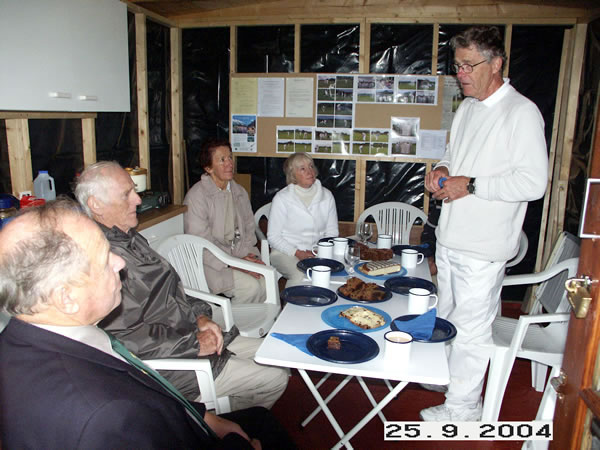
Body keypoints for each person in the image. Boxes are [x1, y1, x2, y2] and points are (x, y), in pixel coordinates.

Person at [0, 199, 296, 449]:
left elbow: (145, 379)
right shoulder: (101, 416)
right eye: (103, 259)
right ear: (66, 297)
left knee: (261, 417)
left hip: (187, 414)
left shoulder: (46, 334)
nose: (120, 263)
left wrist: (205, 417)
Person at [74, 161, 288, 411]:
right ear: (96, 205)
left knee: (278, 357)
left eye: (135, 191)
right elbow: (125, 339)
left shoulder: (131, 238)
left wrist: (200, 317)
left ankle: (226, 415)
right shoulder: (100, 261)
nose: (138, 200)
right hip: (176, 365)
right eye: (126, 194)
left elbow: (173, 293)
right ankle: (227, 425)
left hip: (190, 334)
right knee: (275, 378)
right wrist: (196, 344)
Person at [421, 25, 548, 421]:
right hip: (451, 239)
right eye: (457, 66)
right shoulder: (468, 109)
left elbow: (534, 183)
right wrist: (442, 170)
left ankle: (463, 408)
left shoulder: (521, 112)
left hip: (484, 248)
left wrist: (471, 185)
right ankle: (447, 380)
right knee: (447, 317)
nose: (460, 74)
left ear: (496, 64)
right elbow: (453, 156)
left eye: (468, 66)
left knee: (472, 331)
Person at [183, 139, 266, 304]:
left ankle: (257, 320)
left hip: (238, 256)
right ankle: (233, 321)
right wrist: (235, 264)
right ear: (208, 168)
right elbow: (201, 246)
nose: (229, 163)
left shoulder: (239, 191)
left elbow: (249, 229)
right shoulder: (196, 197)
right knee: (251, 287)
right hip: (210, 264)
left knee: (266, 282)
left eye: (230, 157)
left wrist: (247, 256)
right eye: (222, 160)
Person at [267, 153, 339, 286]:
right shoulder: (282, 198)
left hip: (317, 252)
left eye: (311, 166)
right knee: (301, 275)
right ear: (292, 174)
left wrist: (320, 250)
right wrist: (297, 252)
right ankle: (291, 299)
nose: (310, 171)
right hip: (285, 252)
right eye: (302, 169)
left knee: (334, 272)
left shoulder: (327, 196)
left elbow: (332, 232)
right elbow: (273, 237)